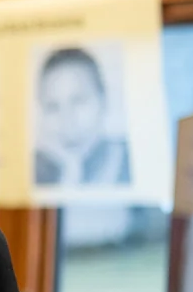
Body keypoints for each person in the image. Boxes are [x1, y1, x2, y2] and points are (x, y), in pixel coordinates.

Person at [33, 46, 131, 187]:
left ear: (103, 100)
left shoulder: (130, 162)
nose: (67, 121)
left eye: (78, 101)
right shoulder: (37, 170)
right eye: (52, 107)